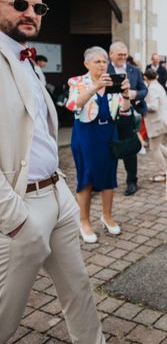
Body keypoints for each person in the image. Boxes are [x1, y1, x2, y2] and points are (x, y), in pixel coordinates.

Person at [0, 0, 146, 344]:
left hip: (56, 192)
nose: (31, 13)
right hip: (20, 202)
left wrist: (61, 189)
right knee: (6, 311)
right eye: (19, 5)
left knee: (78, 285)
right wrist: (12, 217)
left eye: (38, 7)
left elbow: (41, 131)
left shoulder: (24, 58)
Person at [66, 47, 129, 243]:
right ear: (87, 64)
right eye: (98, 62)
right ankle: (84, 221)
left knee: (109, 174)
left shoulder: (112, 81)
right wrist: (94, 87)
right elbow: (72, 105)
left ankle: (107, 216)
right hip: (86, 134)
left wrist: (126, 94)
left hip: (108, 133)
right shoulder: (77, 82)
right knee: (86, 176)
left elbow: (124, 111)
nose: (103, 65)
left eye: (104, 61)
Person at [107, 41, 148, 196]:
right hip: (108, 115)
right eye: (120, 55)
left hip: (128, 115)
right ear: (111, 54)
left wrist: (135, 94)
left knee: (129, 149)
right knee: (107, 147)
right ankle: (105, 181)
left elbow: (144, 90)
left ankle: (132, 181)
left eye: (125, 54)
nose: (123, 57)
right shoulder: (104, 69)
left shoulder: (134, 70)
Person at [143, 68, 167, 181]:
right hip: (160, 120)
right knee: (157, 145)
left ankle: (163, 173)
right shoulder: (157, 86)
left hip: (157, 122)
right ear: (157, 76)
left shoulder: (152, 88)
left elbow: (153, 106)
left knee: (154, 148)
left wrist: (141, 104)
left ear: (145, 78)